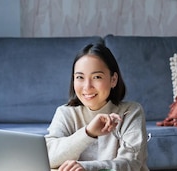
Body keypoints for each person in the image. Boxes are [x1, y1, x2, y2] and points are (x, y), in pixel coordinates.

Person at [45, 43, 149, 171]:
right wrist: (88, 133)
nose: (87, 87)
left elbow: (131, 164)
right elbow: (48, 157)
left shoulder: (131, 112)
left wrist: (86, 167)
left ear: (113, 80)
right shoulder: (65, 113)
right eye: (80, 77)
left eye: (97, 77)